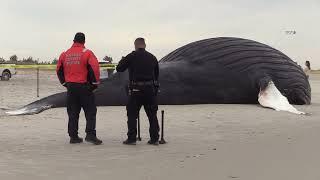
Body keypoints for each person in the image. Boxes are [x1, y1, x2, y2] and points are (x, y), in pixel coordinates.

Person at [56, 32, 103, 145]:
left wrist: (64, 83)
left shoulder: (65, 54)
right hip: (84, 87)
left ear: (73, 41)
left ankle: (73, 136)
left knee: (73, 112)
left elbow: (58, 70)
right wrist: (94, 84)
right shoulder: (87, 53)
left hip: (71, 87)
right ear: (84, 41)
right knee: (90, 112)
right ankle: (90, 135)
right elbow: (94, 68)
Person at [116, 37, 160, 145]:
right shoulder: (152, 57)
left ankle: (131, 139)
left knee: (132, 115)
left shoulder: (131, 56)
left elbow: (119, 68)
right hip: (149, 89)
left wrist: (124, 59)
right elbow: (156, 75)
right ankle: (154, 139)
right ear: (145, 45)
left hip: (136, 89)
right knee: (152, 115)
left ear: (135, 45)